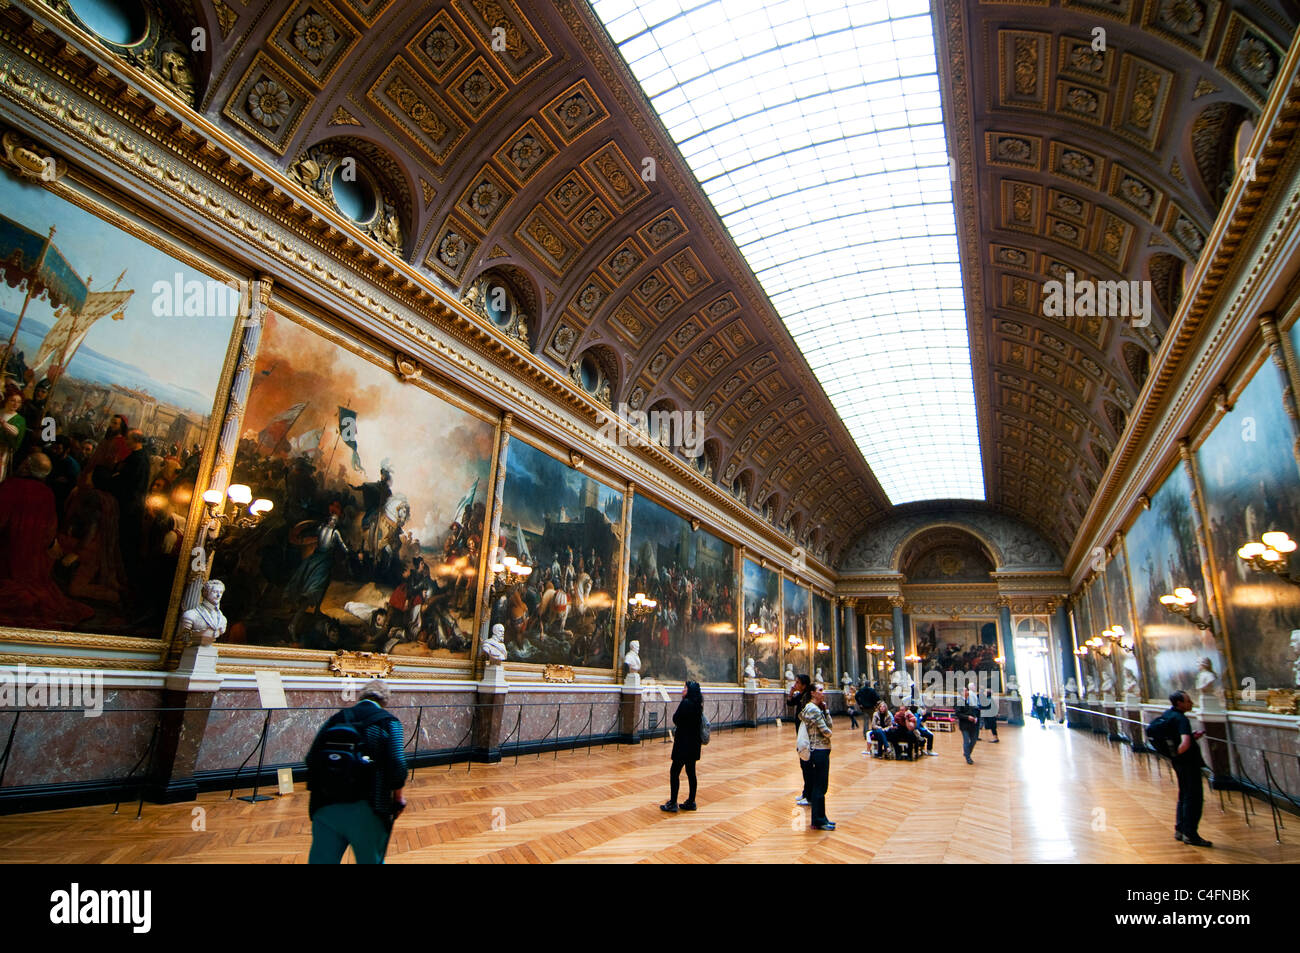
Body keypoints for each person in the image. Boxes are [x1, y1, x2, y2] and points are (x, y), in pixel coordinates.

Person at [306, 679, 407, 864]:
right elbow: (397, 765)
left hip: (325, 803)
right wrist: (398, 798)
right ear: (385, 701)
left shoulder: (337, 718)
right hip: (367, 807)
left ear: (362, 696)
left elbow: (311, 759)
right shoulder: (388, 722)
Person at [1165, 690, 1212, 847]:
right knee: (1194, 798)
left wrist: (1175, 755)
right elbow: (1184, 744)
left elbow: (1178, 738)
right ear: (1179, 703)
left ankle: (1180, 830)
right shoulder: (1182, 719)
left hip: (1179, 764)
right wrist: (1178, 754)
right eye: (1188, 701)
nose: (1191, 703)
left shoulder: (1169, 714)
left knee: (1183, 795)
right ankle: (1191, 834)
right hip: (1188, 763)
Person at [661, 680, 703, 813]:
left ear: (689, 690)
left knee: (674, 772)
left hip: (683, 743)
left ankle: (673, 803)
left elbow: (676, 719)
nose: (682, 690)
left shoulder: (686, 703)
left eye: (684, 688)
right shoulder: (698, 704)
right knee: (691, 772)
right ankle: (691, 801)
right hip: (694, 744)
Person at [801, 683, 834, 830]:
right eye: (820, 690)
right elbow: (827, 731)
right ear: (813, 693)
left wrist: (825, 710)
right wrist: (825, 714)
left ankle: (822, 818)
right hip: (819, 749)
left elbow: (828, 726)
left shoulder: (814, 708)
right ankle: (818, 820)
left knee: (820, 786)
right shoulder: (813, 709)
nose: (823, 693)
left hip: (820, 749)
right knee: (820, 786)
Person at [788, 673, 813, 806]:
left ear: (804, 685)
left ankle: (809, 795)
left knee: (807, 764)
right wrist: (791, 692)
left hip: (806, 734)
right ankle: (806, 792)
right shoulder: (801, 695)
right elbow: (790, 703)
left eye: (797, 682)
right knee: (803, 764)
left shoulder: (808, 697)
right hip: (800, 732)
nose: (795, 684)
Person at [957, 682, 981, 764]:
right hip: (964, 725)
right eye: (966, 690)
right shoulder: (959, 702)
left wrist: (975, 717)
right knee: (966, 741)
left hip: (972, 724)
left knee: (974, 740)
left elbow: (972, 711)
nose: (967, 691)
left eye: (967, 690)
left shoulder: (969, 700)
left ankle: (967, 753)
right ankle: (968, 758)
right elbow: (958, 714)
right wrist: (968, 717)